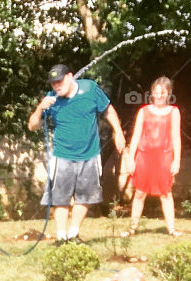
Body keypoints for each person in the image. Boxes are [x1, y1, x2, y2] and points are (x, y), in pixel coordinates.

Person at [28, 64, 127, 245]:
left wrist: (118, 131)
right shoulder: (51, 99)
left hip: (90, 154)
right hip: (62, 155)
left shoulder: (90, 88)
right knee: (60, 198)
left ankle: (73, 234)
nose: (57, 86)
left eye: (60, 81)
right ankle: (60, 237)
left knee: (86, 196)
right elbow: (32, 126)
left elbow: (108, 110)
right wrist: (40, 109)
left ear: (70, 76)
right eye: (53, 84)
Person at [124, 76, 182, 236]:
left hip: (164, 157)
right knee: (140, 192)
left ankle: (171, 229)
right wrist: (130, 158)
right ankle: (132, 229)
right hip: (143, 156)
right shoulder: (143, 111)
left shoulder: (174, 112)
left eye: (162, 92)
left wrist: (176, 160)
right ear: (152, 93)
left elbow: (176, 137)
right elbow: (136, 135)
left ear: (168, 93)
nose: (159, 96)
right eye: (156, 92)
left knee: (165, 193)